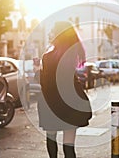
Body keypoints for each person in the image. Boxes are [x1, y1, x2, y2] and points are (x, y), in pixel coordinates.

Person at [38, 21, 92, 158]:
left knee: (51, 139)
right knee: (69, 147)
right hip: (70, 103)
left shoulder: (48, 57)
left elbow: (45, 83)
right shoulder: (71, 54)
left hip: (50, 103)